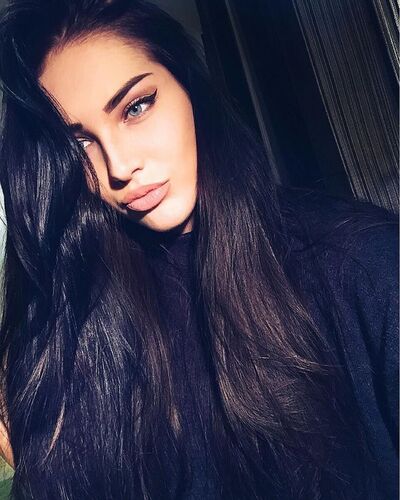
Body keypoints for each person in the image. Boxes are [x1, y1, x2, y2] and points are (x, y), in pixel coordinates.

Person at [0, 0, 397, 499]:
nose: (118, 167)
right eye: (79, 144)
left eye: (136, 107)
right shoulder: (76, 323)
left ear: (188, 86)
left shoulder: (361, 264)